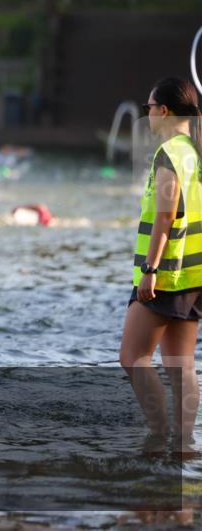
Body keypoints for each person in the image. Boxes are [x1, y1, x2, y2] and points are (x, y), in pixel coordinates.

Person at [119, 76, 201, 452]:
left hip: (166, 275)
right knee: (181, 365)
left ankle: (159, 434)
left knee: (133, 357)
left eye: (149, 107)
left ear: (164, 111)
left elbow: (166, 215)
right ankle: (184, 447)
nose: (147, 114)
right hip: (193, 276)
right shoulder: (195, 153)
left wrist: (150, 271)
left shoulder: (170, 153)